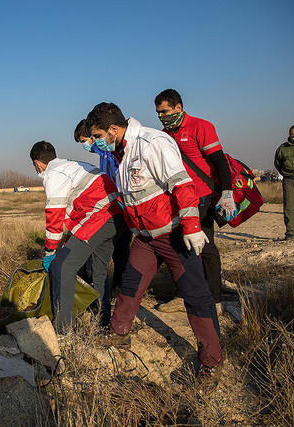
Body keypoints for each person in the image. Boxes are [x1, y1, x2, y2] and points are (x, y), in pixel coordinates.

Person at [85, 102, 223, 381]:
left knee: (196, 296)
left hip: (173, 234)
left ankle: (211, 361)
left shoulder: (152, 143)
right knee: (130, 285)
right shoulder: (124, 153)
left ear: (113, 129)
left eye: (99, 136)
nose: (97, 142)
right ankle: (119, 333)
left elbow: (182, 184)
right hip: (146, 238)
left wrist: (192, 226)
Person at [154, 89, 235, 315]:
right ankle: (184, 295)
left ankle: (215, 299)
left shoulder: (201, 127)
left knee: (205, 245)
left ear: (178, 107)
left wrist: (226, 193)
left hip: (201, 197)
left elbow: (219, 160)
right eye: (158, 113)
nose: (162, 116)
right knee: (180, 245)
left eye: (165, 111)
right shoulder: (163, 135)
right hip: (177, 199)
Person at [30, 140, 124, 332]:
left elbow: (55, 214)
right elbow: (77, 208)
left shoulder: (53, 174)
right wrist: (67, 241)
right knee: (98, 271)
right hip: (116, 217)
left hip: (98, 218)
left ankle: (62, 330)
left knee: (62, 266)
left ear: (37, 163)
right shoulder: (70, 165)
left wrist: (50, 252)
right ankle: (103, 323)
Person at [74, 119, 132, 327]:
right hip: (117, 210)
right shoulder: (104, 155)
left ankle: (108, 302)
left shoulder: (111, 154)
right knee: (118, 255)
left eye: (86, 140)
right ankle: (116, 293)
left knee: (104, 259)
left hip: (119, 210)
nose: (86, 145)